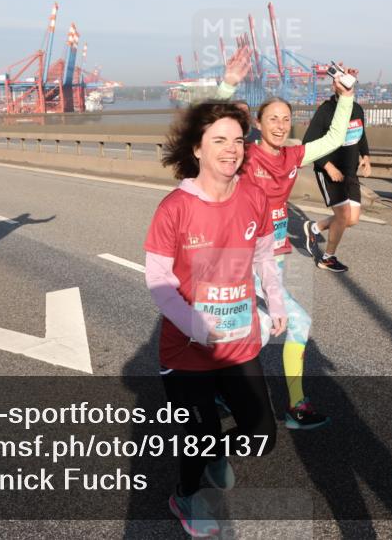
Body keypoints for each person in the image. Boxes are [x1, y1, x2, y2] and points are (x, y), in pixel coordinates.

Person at [144, 101, 285, 537]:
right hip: (187, 350)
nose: (231, 150)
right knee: (196, 437)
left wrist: (276, 302)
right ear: (197, 149)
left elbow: (264, 257)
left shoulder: (254, 196)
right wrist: (196, 327)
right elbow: (158, 281)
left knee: (262, 435)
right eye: (219, 140)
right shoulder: (175, 207)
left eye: (238, 140)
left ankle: (212, 449)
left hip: (239, 342)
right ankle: (185, 496)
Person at [216, 45, 356, 429]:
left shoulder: (292, 157)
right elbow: (212, 129)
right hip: (243, 258)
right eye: (273, 119)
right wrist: (227, 86)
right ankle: (294, 405)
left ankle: (220, 387)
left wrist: (346, 97)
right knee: (292, 323)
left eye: (286, 119)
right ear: (258, 124)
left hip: (273, 257)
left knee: (258, 329)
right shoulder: (244, 155)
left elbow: (333, 139)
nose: (280, 125)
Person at [302, 74, 371, 273]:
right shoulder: (325, 110)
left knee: (353, 218)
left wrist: (366, 156)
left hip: (350, 171)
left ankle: (314, 228)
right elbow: (308, 143)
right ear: (334, 86)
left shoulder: (357, 109)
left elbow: (361, 134)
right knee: (343, 216)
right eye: (338, 82)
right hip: (329, 171)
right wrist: (328, 166)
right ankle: (327, 258)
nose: (341, 85)